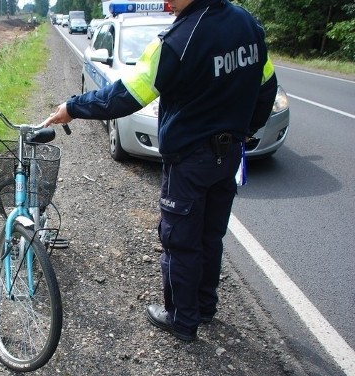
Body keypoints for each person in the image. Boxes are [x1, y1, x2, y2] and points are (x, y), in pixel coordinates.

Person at [43, 0, 278, 341]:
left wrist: (73, 107)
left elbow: (125, 96)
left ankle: (182, 320)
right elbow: (266, 85)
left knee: (180, 241)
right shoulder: (247, 24)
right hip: (228, 156)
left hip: (190, 160)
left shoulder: (177, 40)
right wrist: (246, 130)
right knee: (211, 235)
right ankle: (205, 306)